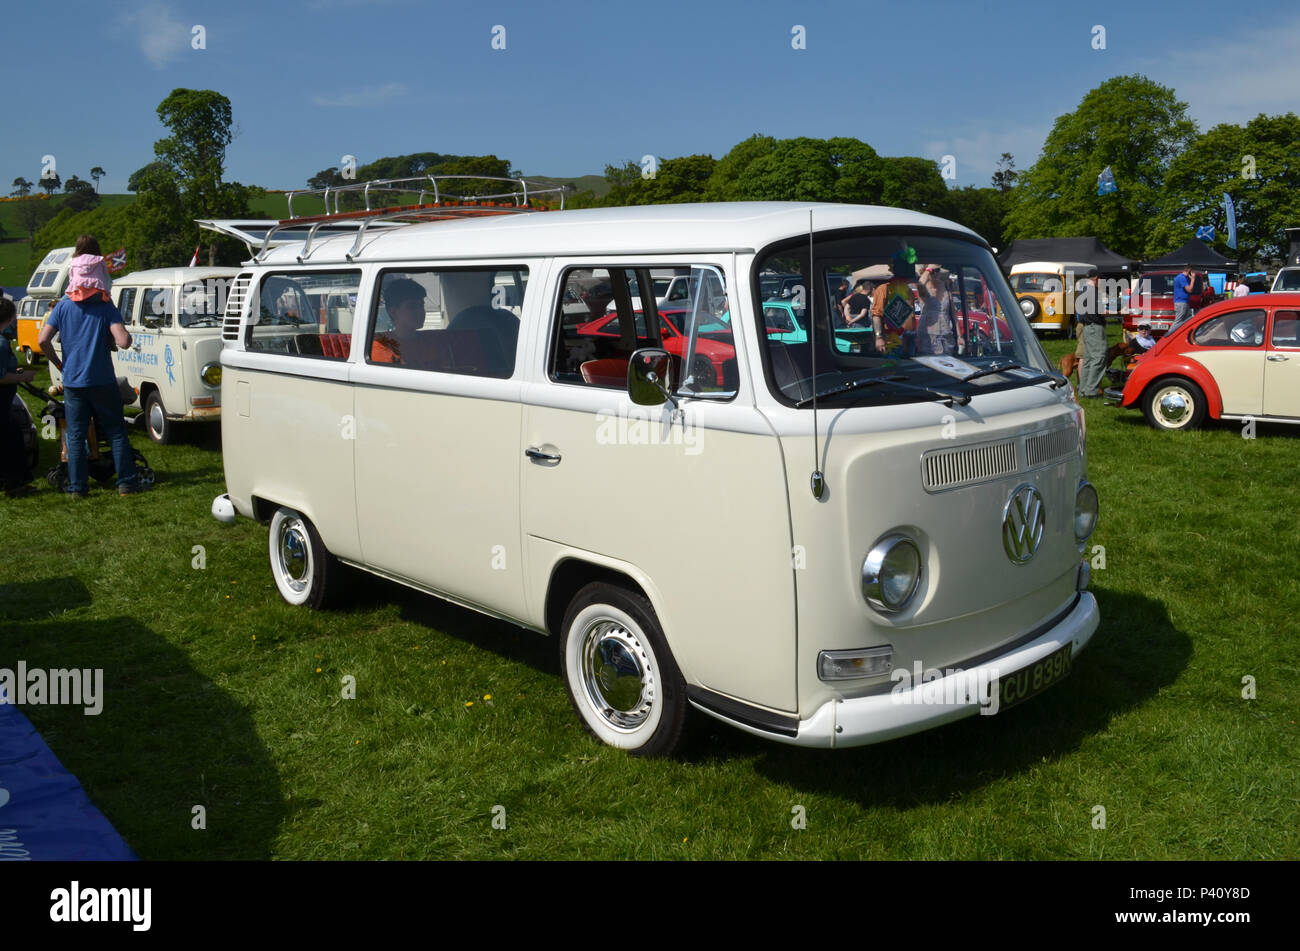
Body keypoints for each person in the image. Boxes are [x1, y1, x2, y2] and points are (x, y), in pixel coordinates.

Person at [37, 235, 142, 496]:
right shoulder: (106, 307)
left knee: (75, 434)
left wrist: (59, 364)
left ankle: (77, 487)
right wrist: (124, 334)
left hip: (73, 380)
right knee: (116, 432)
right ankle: (126, 483)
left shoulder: (62, 306)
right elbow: (123, 341)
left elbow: (42, 340)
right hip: (103, 379)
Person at [1, 298, 38, 497]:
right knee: (11, 443)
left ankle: (15, 482)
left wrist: (13, 370)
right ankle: (14, 484)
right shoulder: (1, 343)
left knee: (12, 438)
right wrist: (22, 376)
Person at [370, 278, 438, 367]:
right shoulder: (382, 347)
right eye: (412, 306)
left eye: (421, 305)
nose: (420, 311)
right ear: (393, 312)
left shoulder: (430, 342)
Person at [871, 248, 918, 354]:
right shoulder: (884, 288)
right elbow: (876, 314)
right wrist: (878, 337)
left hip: (909, 336)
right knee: (892, 367)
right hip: (891, 337)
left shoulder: (908, 290)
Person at [914, 265, 960, 355]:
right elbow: (920, 283)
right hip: (928, 339)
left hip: (946, 337)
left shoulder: (945, 287)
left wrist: (959, 336)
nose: (935, 273)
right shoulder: (924, 289)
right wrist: (929, 269)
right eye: (933, 271)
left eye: (937, 270)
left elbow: (953, 314)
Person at [1076, 269, 1107, 398]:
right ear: (1096, 279)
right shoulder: (1093, 292)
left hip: (1086, 327)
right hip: (1095, 328)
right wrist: (1120, 311)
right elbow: (1101, 311)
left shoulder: (1082, 291)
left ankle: (1083, 390)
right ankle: (1091, 391)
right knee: (1099, 357)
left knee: (1088, 359)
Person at [67, 235, 112, 302]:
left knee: (62, 304)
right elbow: (106, 279)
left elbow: (71, 279)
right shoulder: (100, 260)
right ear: (96, 247)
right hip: (97, 294)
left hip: (77, 293)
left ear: (78, 247)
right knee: (111, 308)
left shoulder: (73, 261)